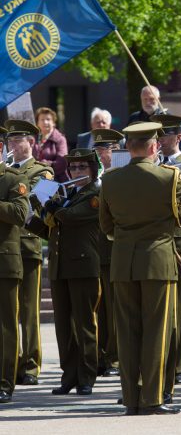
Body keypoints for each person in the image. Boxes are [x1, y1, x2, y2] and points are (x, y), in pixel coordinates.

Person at [99, 122, 181, 415]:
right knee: (157, 332)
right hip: (158, 262)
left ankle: (131, 398)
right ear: (153, 147)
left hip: (123, 262)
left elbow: (106, 227)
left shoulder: (110, 179)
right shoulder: (169, 176)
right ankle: (151, 398)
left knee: (126, 333)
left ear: (129, 148)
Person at [31, 149, 102, 396]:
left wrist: (48, 201)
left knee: (84, 324)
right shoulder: (70, 194)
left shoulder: (95, 193)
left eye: (83, 168)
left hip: (83, 266)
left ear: (93, 170)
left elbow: (70, 217)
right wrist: (33, 213)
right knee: (63, 327)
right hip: (61, 266)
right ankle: (69, 375)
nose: (77, 172)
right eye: (73, 168)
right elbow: (52, 229)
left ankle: (86, 377)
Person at [4, 120, 53, 387]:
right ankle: (10, 364)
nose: (13, 146)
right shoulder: (6, 172)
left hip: (28, 245)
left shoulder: (42, 171)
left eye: (17, 141)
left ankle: (31, 364)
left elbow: (36, 201)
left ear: (31, 142)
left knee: (29, 310)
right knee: (8, 312)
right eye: (10, 141)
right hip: (7, 246)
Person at [150, 114, 181, 396]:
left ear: (177, 138)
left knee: (179, 309)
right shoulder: (153, 165)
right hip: (156, 243)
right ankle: (163, 362)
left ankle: (180, 364)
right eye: (157, 137)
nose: (160, 141)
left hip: (179, 240)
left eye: (164, 136)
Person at [0, 127, 30, 404]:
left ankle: (5, 382)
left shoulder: (13, 179)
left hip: (4, 263)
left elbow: (20, 214)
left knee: (6, 326)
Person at [92, 128, 124, 377]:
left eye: (106, 149)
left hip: (116, 247)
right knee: (101, 307)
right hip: (97, 248)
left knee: (115, 306)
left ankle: (114, 357)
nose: (102, 154)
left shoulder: (121, 173)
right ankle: (102, 355)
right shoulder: (97, 175)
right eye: (99, 149)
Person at [33, 107, 69, 182]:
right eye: (42, 119)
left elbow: (62, 162)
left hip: (56, 180)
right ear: (37, 123)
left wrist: (45, 164)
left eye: (48, 119)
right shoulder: (33, 139)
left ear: (53, 123)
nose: (45, 122)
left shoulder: (60, 139)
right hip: (35, 179)